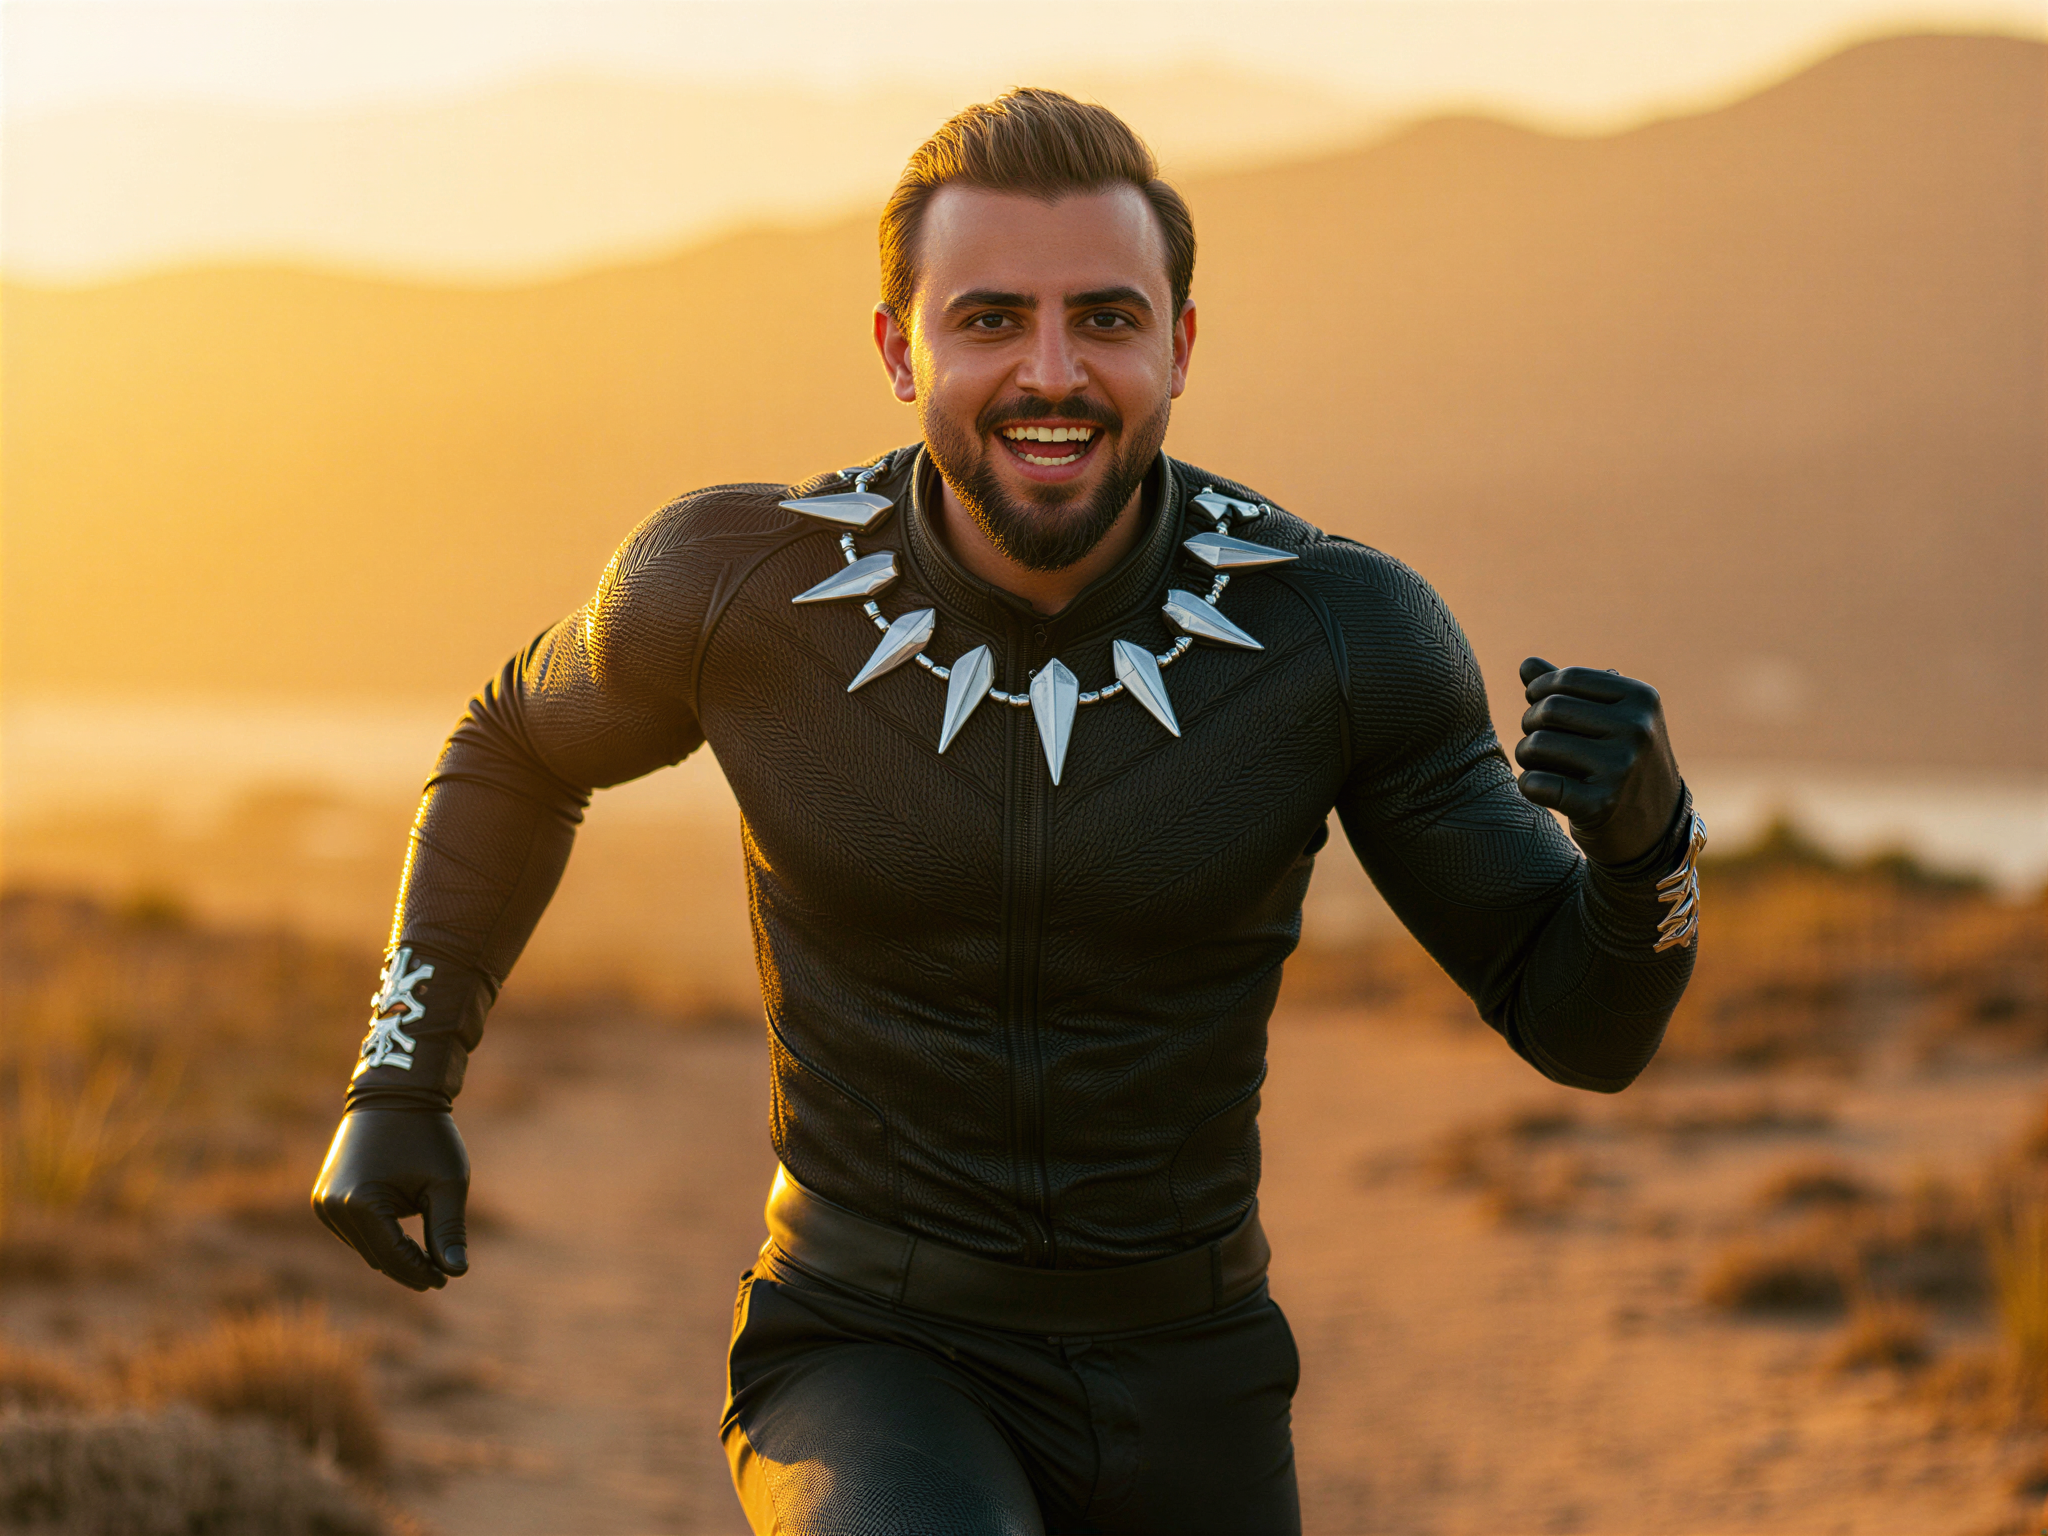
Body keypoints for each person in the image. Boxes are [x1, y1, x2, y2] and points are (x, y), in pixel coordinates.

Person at [312, 89, 1703, 1536]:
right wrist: (400, 1079)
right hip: (866, 1343)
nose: (1053, 373)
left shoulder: (1342, 632)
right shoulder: (730, 584)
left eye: (1105, 318)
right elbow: (513, 746)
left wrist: (1643, 857)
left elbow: (1580, 1027)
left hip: (1197, 1367)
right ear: (899, 348)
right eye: (989, 321)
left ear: (1179, 346)